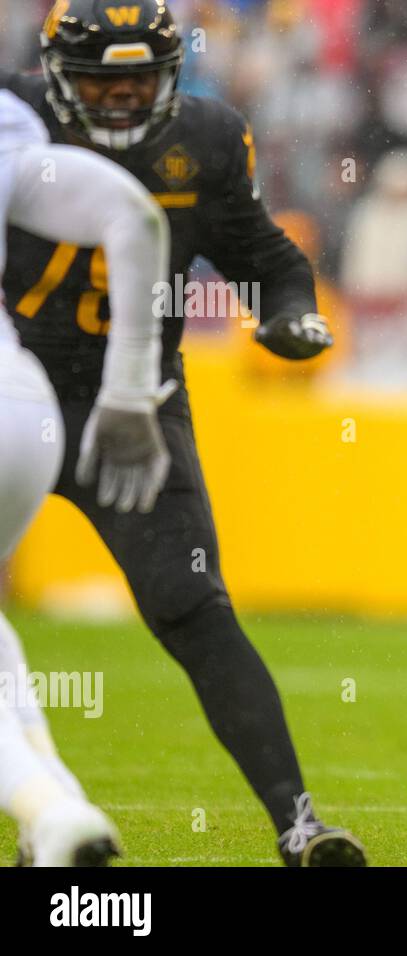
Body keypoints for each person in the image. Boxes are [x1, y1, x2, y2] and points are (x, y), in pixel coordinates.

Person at [2, 0, 361, 866]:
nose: (121, 100)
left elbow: (268, 258)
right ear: (55, 76)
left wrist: (289, 317)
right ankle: (48, 810)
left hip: (135, 408)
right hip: (15, 385)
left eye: (139, 80)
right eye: (100, 80)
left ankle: (297, 821)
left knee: (195, 610)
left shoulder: (204, 136)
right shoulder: (16, 117)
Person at [0, 85, 169, 865]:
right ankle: (58, 815)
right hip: (20, 401)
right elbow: (130, 215)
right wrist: (129, 387)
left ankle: (44, 808)